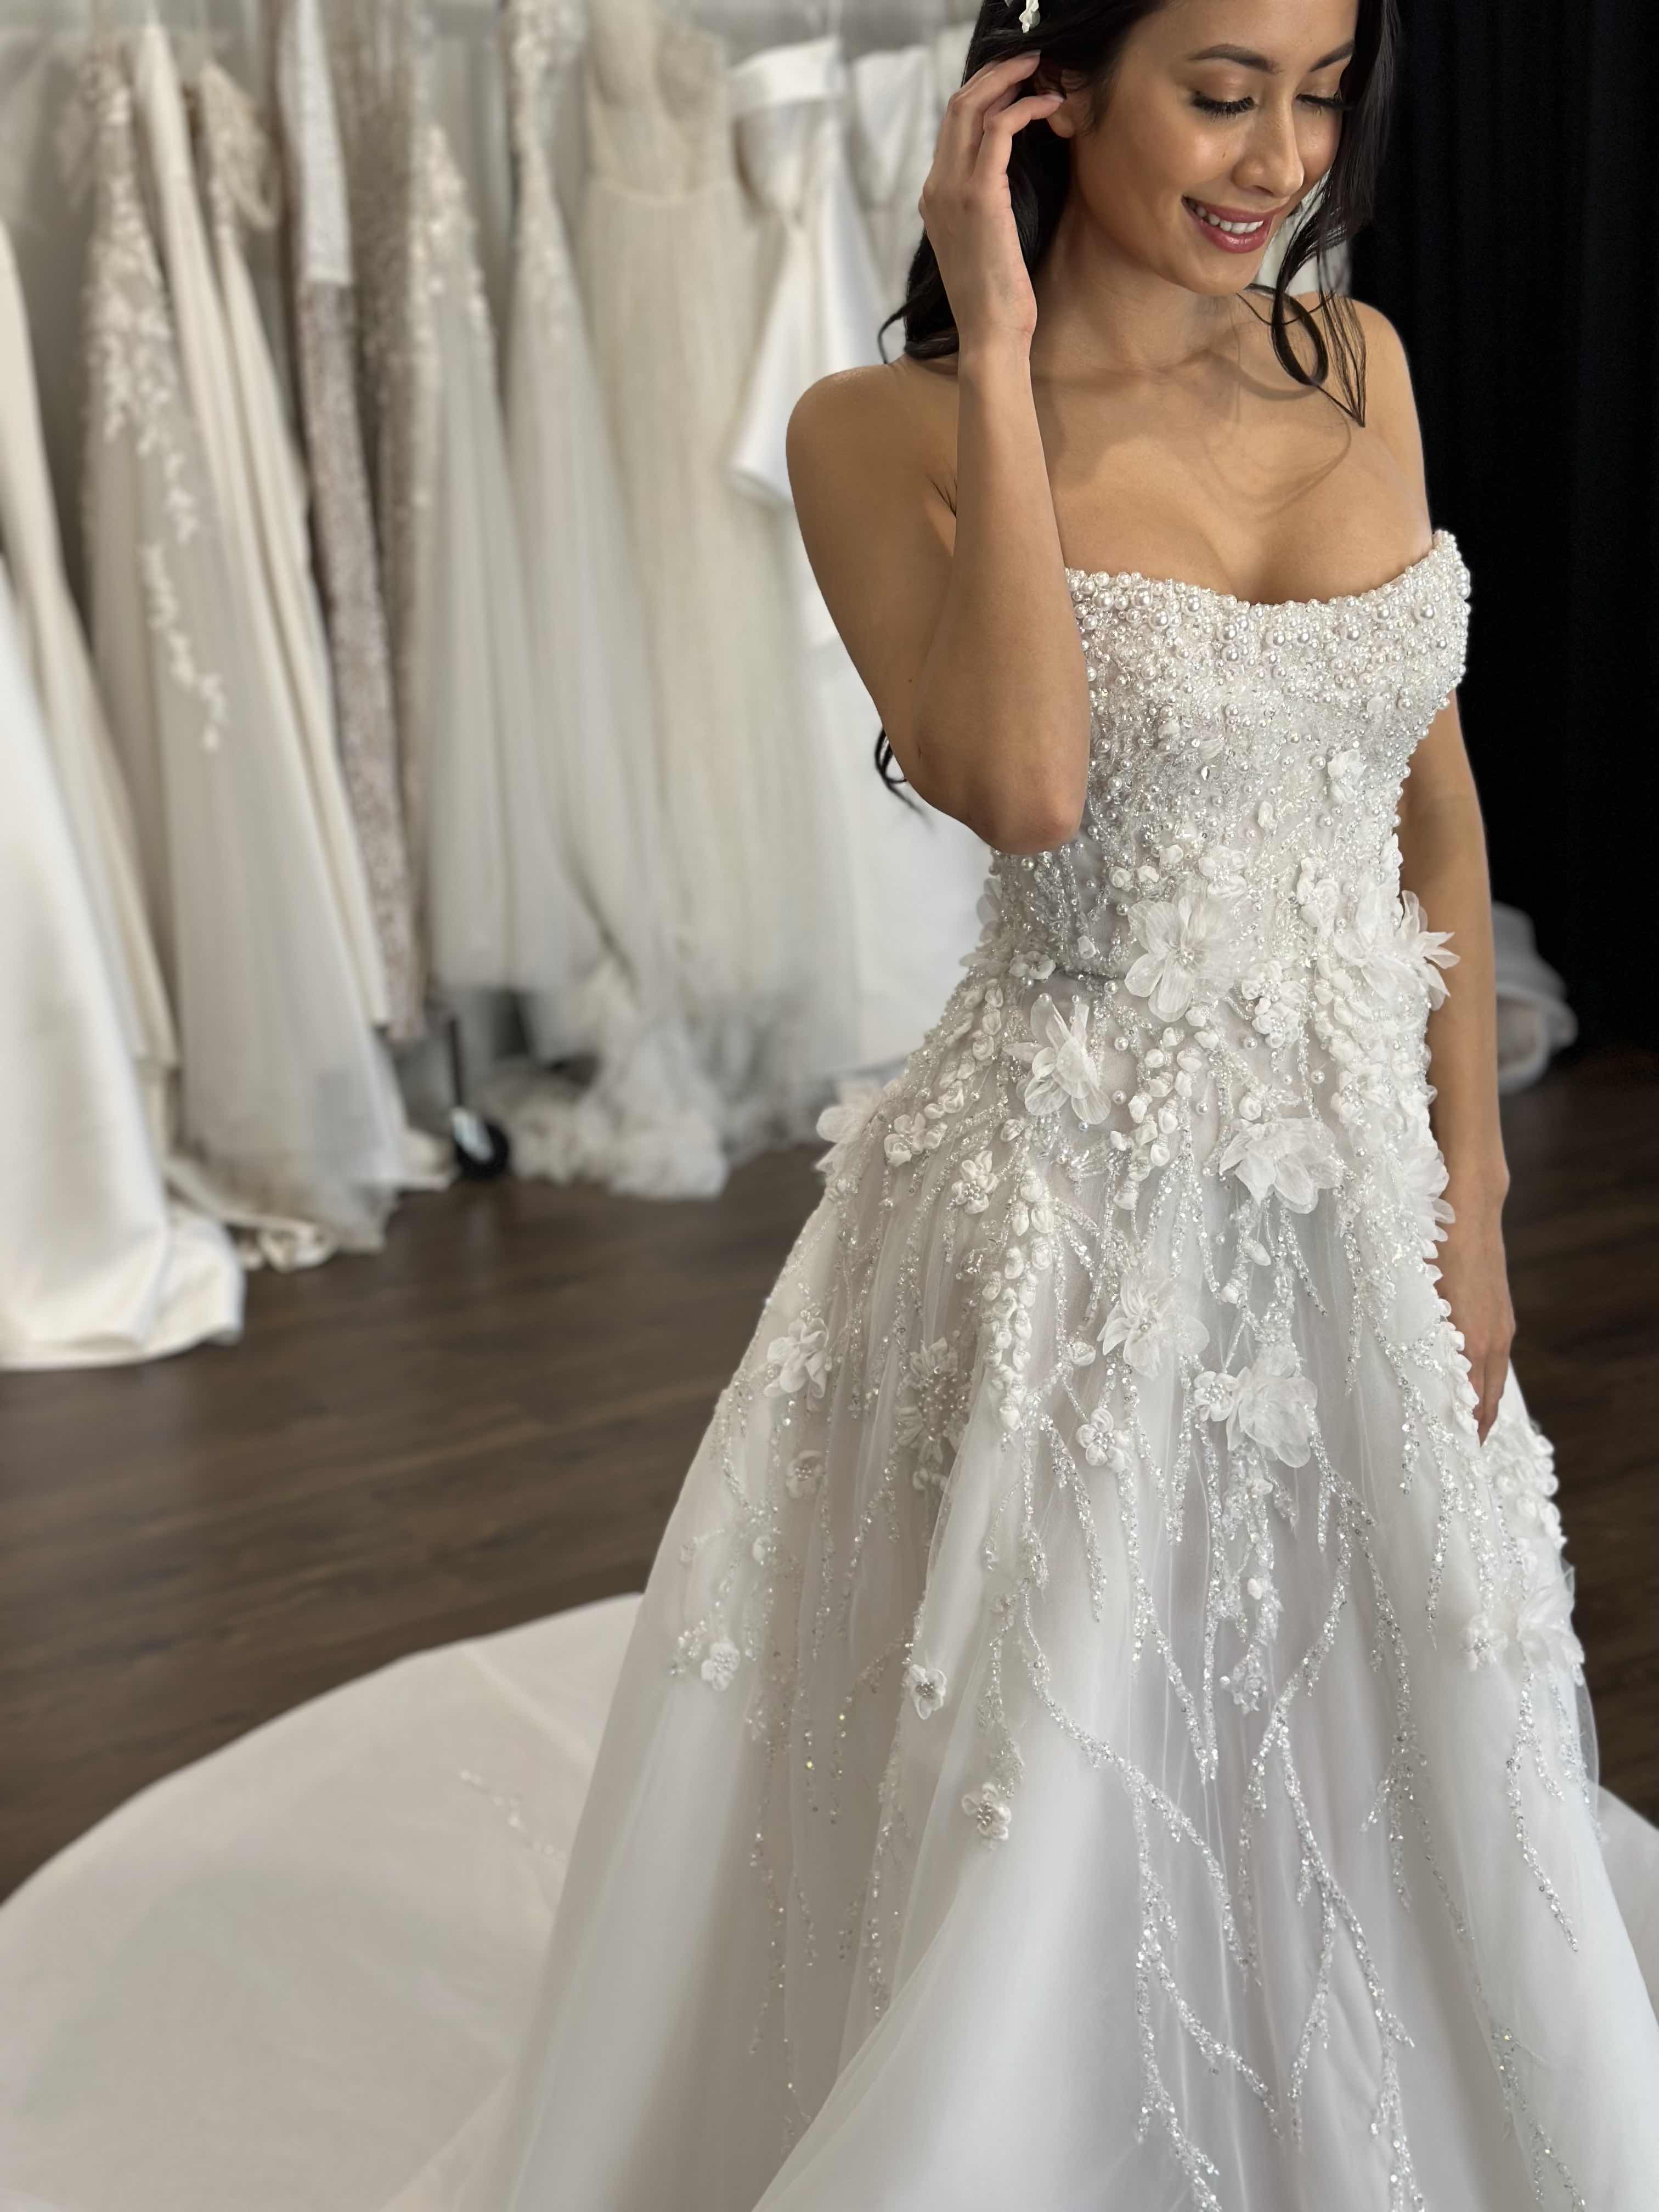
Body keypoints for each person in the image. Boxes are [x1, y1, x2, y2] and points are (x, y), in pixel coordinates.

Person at [467, 4, 1659, 2206]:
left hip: (1364, 1200)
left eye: (1321, 95)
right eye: (1224, 88)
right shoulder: (874, 427)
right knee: (1065, 1753)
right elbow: (1022, 788)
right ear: (1054, 92)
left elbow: (1436, 821)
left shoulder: (1356, 367)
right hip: (1073, 1218)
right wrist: (1003, 358)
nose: (1280, 156)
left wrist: (1473, 1202)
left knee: (1391, 1719)